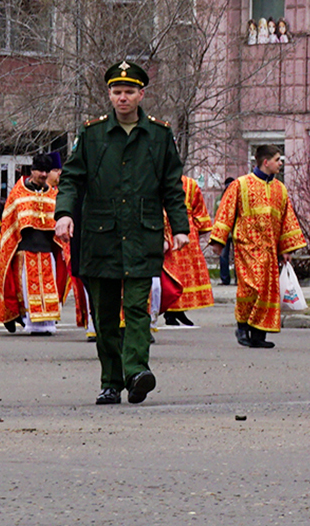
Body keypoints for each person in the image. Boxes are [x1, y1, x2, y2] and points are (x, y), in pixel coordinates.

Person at [56, 61, 191, 404]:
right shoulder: (92, 133)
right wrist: (65, 214)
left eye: (129, 91)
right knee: (104, 313)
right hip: (100, 234)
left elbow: (172, 186)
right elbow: (72, 178)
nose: (123, 98)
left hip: (142, 234)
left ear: (141, 94)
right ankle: (110, 380)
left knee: (136, 308)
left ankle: (136, 372)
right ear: (109, 95)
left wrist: (179, 227)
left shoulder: (159, 135)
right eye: (117, 92)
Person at [209, 144, 307, 349]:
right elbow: (226, 212)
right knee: (251, 288)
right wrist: (219, 241)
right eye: (278, 160)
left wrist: (286, 249)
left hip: (270, 249)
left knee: (268, 290)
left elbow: (286, 220)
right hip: (247, 247)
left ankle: (259, 333)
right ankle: (242, 326)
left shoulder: (280, 188)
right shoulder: (241, 185)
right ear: (266, 162)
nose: (280, 164)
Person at [0, 158, 68, 335]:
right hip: (25, 250)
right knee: (27, 289)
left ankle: (48, 322)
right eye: (40, 171)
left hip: (47, 250)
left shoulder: (53, 194)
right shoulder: (18, 192)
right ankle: (30, 322)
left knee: (49, 287)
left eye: (46, 171)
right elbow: (9, 223)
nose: (43, 175)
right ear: (32, 170)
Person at [159, 172, 215, 326]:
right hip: (185, 232)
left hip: (172, 232)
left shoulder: (158, 181)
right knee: (177, 275)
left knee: (177, 275)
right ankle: (172, 311)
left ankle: (177, 311)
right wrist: (198, 230)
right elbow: (200, 213)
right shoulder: (190, 184)